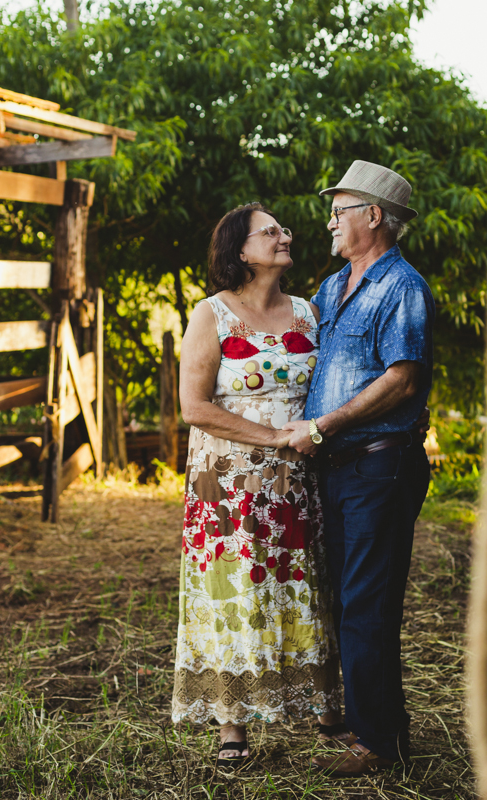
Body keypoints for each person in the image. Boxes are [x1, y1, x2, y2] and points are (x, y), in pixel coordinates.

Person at [172, 202, 351, 767]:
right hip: (227, 485)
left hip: (296, 481)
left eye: (283, 229)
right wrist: (273, 437)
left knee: (305, 585)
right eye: (269, 232)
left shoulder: (309, 312)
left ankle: (325, 707)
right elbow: (194, 406)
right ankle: (232, 724)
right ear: (240, 250)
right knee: (233, 589)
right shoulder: (211, 314)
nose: (283, 236)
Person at [282, 161, 435, 777]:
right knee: (347, 599)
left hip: (379, 465)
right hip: (337, 468)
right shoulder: (330, 287)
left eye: (338, 211)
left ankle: (378, 742)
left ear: (374, 216)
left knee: (367, 602)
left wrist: (323, 425)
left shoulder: (404, 287)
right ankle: (370, 724)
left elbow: (403, 380)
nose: (329, 223)